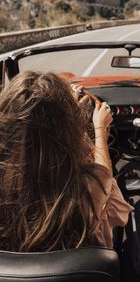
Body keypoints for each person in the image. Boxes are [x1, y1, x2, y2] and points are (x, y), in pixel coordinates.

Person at [0, 71, 133, 252]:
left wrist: (70, 116)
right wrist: (100, 129)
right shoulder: (86, 186)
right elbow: (104, 175)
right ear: (69, 129)